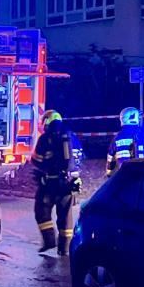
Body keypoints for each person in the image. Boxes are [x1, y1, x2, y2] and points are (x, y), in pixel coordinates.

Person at [30, 109, 83, 256]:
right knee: (65, 215)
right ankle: (64, 248)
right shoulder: (72, 136)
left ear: (46, 122)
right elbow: (79, 157)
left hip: (50, 183)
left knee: (41, 210)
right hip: (70, 183)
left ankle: (49, 241)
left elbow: (36, 160)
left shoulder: (45, 138)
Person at [106, 106, 144, 174]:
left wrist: (109, 174)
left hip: (126, 174)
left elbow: (110, 160)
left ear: (123, 119)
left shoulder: (117, 137)